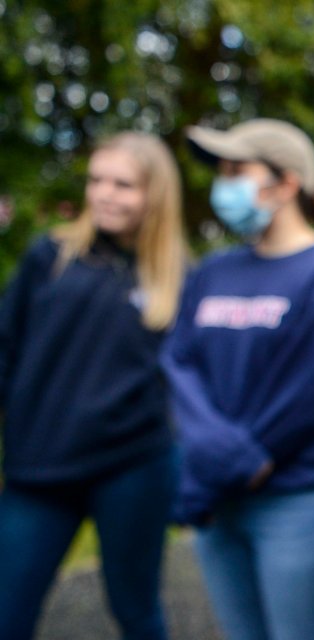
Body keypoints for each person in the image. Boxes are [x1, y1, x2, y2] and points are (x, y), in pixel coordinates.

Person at [161, 118, 314, 640]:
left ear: (286, 183)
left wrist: (238, 461)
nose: (222, 185)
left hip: (292, 506)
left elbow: (308, 397)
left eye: (237, 170)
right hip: (219, 497)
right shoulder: (212, 271)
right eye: (221, 172)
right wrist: (222, 458)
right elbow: (177, 365)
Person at [0, 131, 187, 640]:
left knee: (135, 607)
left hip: (132, 467)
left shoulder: (174, 277)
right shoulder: (52, 257)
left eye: (123, 184)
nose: (105, 193)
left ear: (155, 195)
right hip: (39, 466)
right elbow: (6, 345)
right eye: (97, 180)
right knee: (8, 610)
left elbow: (189, 381)